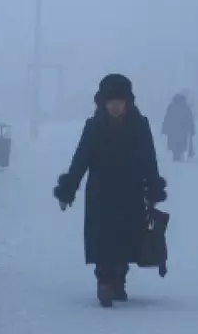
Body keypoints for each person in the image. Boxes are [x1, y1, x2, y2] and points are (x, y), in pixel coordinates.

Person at [53, 74, 167, 307]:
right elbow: (80, 159)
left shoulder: (140, 125)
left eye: (119, 101)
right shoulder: (93, 126)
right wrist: (68, 190)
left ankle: (119, 282)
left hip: (131, 191)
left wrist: (153, 188)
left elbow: (149, 159)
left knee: (126, 237)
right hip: (101, 193)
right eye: (111, 101)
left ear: (127, 102)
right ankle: (104, 282)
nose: (115, 106)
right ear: (103, 103)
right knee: (103, 238)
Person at [162, 92, 196, 161]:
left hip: (173, 130)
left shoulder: (171, 106)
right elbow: (190, 119)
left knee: (174, 144)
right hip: (182, 130)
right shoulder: (185, 107)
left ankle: (176, 155)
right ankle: (178, 154)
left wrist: (165, 128)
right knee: (181, 143)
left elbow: (167, 118)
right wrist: (191, 129)